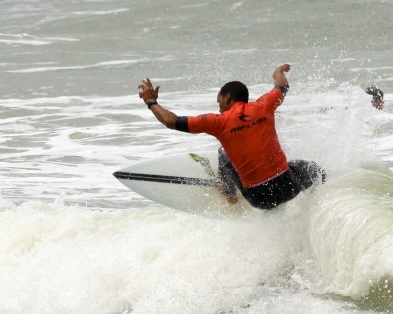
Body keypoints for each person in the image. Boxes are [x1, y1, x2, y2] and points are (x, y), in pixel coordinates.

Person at [137, 64, 324, 210]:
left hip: (259, 198)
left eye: (219, 102)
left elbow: (171, 121)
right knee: (317, 171)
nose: (219, 107)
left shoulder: (218, 122)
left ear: (227, 97)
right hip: (288, 185)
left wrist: (152, 102)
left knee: (224, 152)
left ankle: (229, 194)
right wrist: (277, 71)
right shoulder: (264, 105)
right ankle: (314, 207)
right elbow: (282, 85)